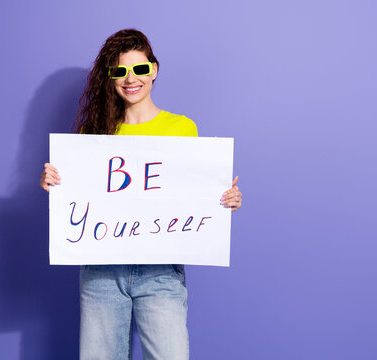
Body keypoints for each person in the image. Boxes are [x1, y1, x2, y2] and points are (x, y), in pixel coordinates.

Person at [40, 29, 242, 360]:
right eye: (119, 71)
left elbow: (192, 194)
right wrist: (54, 183)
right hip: (103, 270)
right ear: (110, 77)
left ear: (154, 70)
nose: (130, 79)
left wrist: (224, 201)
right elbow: (80, 200)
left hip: (161, 270)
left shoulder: (181, 128)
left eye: (140, 69)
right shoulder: (94, 134)